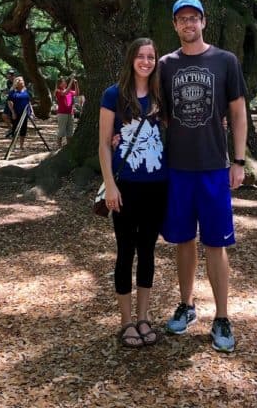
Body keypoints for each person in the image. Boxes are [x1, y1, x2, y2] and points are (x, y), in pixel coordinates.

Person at [159, 0, 247, 354]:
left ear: (204, 22)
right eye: (182, 19)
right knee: (182, 240)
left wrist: (238, 161)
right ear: (175, 25)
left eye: (194, 18)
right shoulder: (165, 65)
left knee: (217, 243)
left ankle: (222, 316)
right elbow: (157, 112)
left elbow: (239, 113)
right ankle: (186, 304)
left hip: (213, 167)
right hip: (177, 168)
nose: (188, 24)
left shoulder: (225, 61)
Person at [99, 38, 168, 348]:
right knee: (125, 251)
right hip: (125, 185)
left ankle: (143, 316)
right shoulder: (113, 95)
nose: (146, 61)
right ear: (131, 60)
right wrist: (110, 185)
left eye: (151, 56)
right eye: (140, 56)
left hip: (157, 184)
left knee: (148, 252)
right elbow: (103, 143)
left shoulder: (160, 96)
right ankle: (125, 321)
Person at [55, 76, 79, 147]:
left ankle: (68, 146)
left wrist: (76, 84)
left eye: (65, 82)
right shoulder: (58, 91)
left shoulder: (70, 91)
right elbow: (65, 92)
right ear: (60, 84)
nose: (65, 83)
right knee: (61, 131)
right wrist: (71, 81)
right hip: (62, 113)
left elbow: (77, 93)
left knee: (70, 132)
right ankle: (59, 146)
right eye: (63, 82)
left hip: (70, 113)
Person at [6, 76, 30, 150]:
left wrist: (32, 112)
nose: (22, 82)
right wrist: (13, 112)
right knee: (15, 129)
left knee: (23, 129)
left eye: (22, 80)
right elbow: (9, 102)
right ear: (16, 82)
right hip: (16, 113)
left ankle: (21, 146)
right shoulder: (13, 92)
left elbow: (29, 102)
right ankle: (14, 145)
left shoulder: (26, 91)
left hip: (24, 113)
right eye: (20, 80)